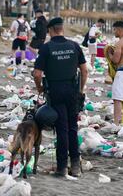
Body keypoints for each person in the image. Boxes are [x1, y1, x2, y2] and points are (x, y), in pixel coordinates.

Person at [33, 17, 88, 177]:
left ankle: (62, 167)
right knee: (72, 128)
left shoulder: (46, 48)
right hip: (72, 90)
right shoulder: (74, 46)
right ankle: (76, 166)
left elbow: (37, 74)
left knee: (62, 129)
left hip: (55, 90)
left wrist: (40, 88)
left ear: (50, 30)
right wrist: (80, 90)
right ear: (61, 29)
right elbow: (84, 71)